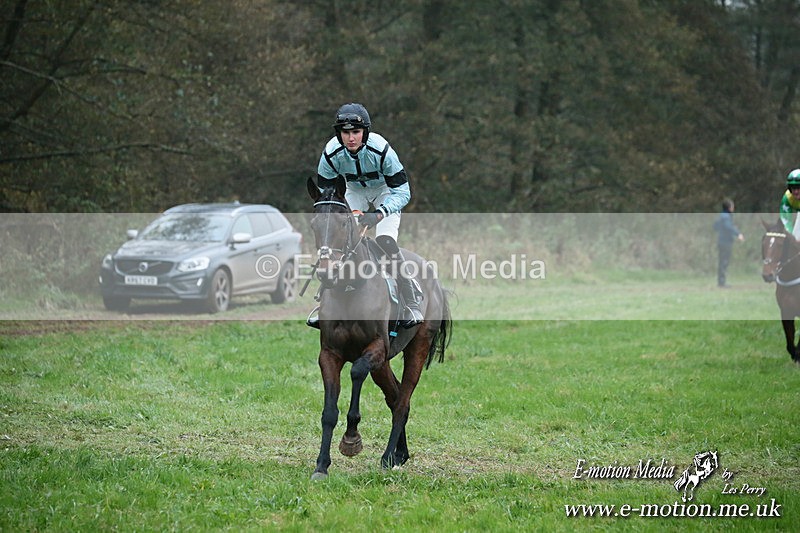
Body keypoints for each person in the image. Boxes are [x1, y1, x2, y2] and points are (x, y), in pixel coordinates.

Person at [307, 102, 424, 329]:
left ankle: (411, 301)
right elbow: (327, 195)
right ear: (339, 133)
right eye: (345, 132)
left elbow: (403, 191)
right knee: (341, 239)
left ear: (365, 132)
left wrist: (379, 214)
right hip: (353, 192)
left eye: (356, 132)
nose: (351, 138)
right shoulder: (331, 153)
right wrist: (345, 213)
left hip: (386, 192)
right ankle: (324, 302)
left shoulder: (381, 150)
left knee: (385, 241)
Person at [714, 198, 744, 288]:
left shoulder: (722, 216)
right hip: (725, 242)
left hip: (722, 241)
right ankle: (722, 283)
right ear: (729, 207)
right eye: (732, 206)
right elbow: (728, 227)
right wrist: (738, 234)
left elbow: (715, 226)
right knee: (724, 262)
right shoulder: (726, 217)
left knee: (722, 261)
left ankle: (721, 282)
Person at [780, 168, 800, 238]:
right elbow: (786, 220)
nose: (796, 191)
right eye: (793, 188)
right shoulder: (787, 198)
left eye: (798, 187)